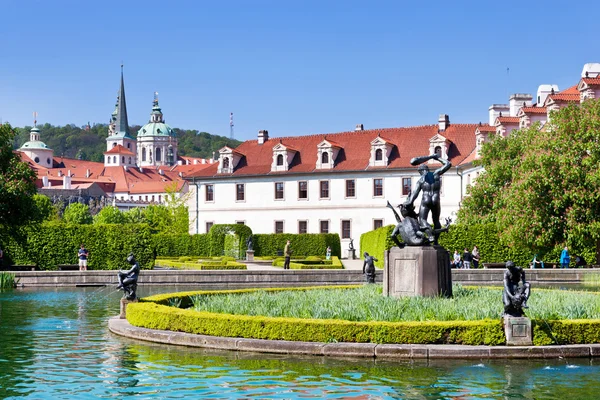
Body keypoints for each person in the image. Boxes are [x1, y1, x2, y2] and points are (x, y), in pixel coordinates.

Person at [403, 153, 451, 244]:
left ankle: (430, 236)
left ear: (421, 171)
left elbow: (415, 194)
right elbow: (448, 164)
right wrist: (437, 158)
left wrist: (409, 202)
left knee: (422, 220)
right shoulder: (436, 174)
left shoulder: (421, 180)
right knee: (436, 220)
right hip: (436, 200)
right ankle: (436, 242)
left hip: (426, 200)